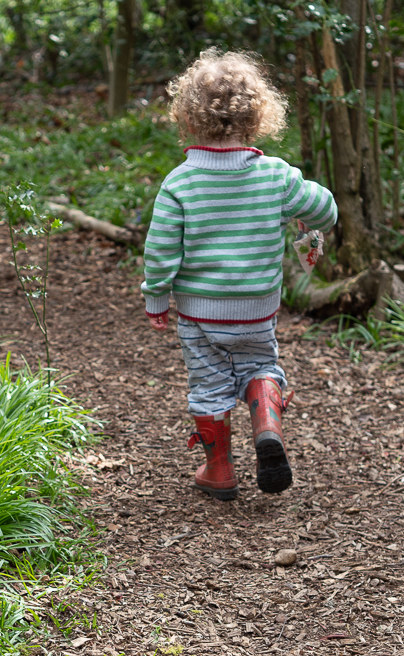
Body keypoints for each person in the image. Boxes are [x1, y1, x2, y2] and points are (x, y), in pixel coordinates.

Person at [141, 48, 338, 501]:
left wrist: (156, 299)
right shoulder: (276, 177)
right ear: (258, 118)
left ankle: (220, 470)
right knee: (261, 365)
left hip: (201, 315)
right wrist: (310, 217)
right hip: (257, 309)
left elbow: (161, 251)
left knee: (209, 383)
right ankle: (267, 425)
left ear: (187, 119)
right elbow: (325, 208)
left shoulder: (180, 183)